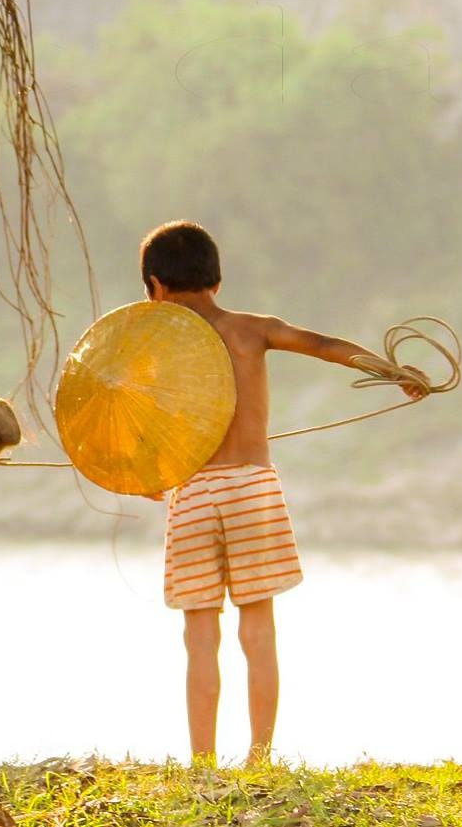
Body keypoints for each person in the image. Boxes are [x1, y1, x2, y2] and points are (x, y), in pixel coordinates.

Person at [139, 220, 426, 766]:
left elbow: (150, 422)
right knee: (258, 625)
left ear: (155, 286)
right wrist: (392, 371)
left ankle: (203, 764)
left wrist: (149, 477)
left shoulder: (158, 348)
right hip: (251, 488)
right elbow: (323, 346)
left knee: (200, 633)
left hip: (194, 491)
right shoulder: (252, 329)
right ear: (217, 281)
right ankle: (260, 756)